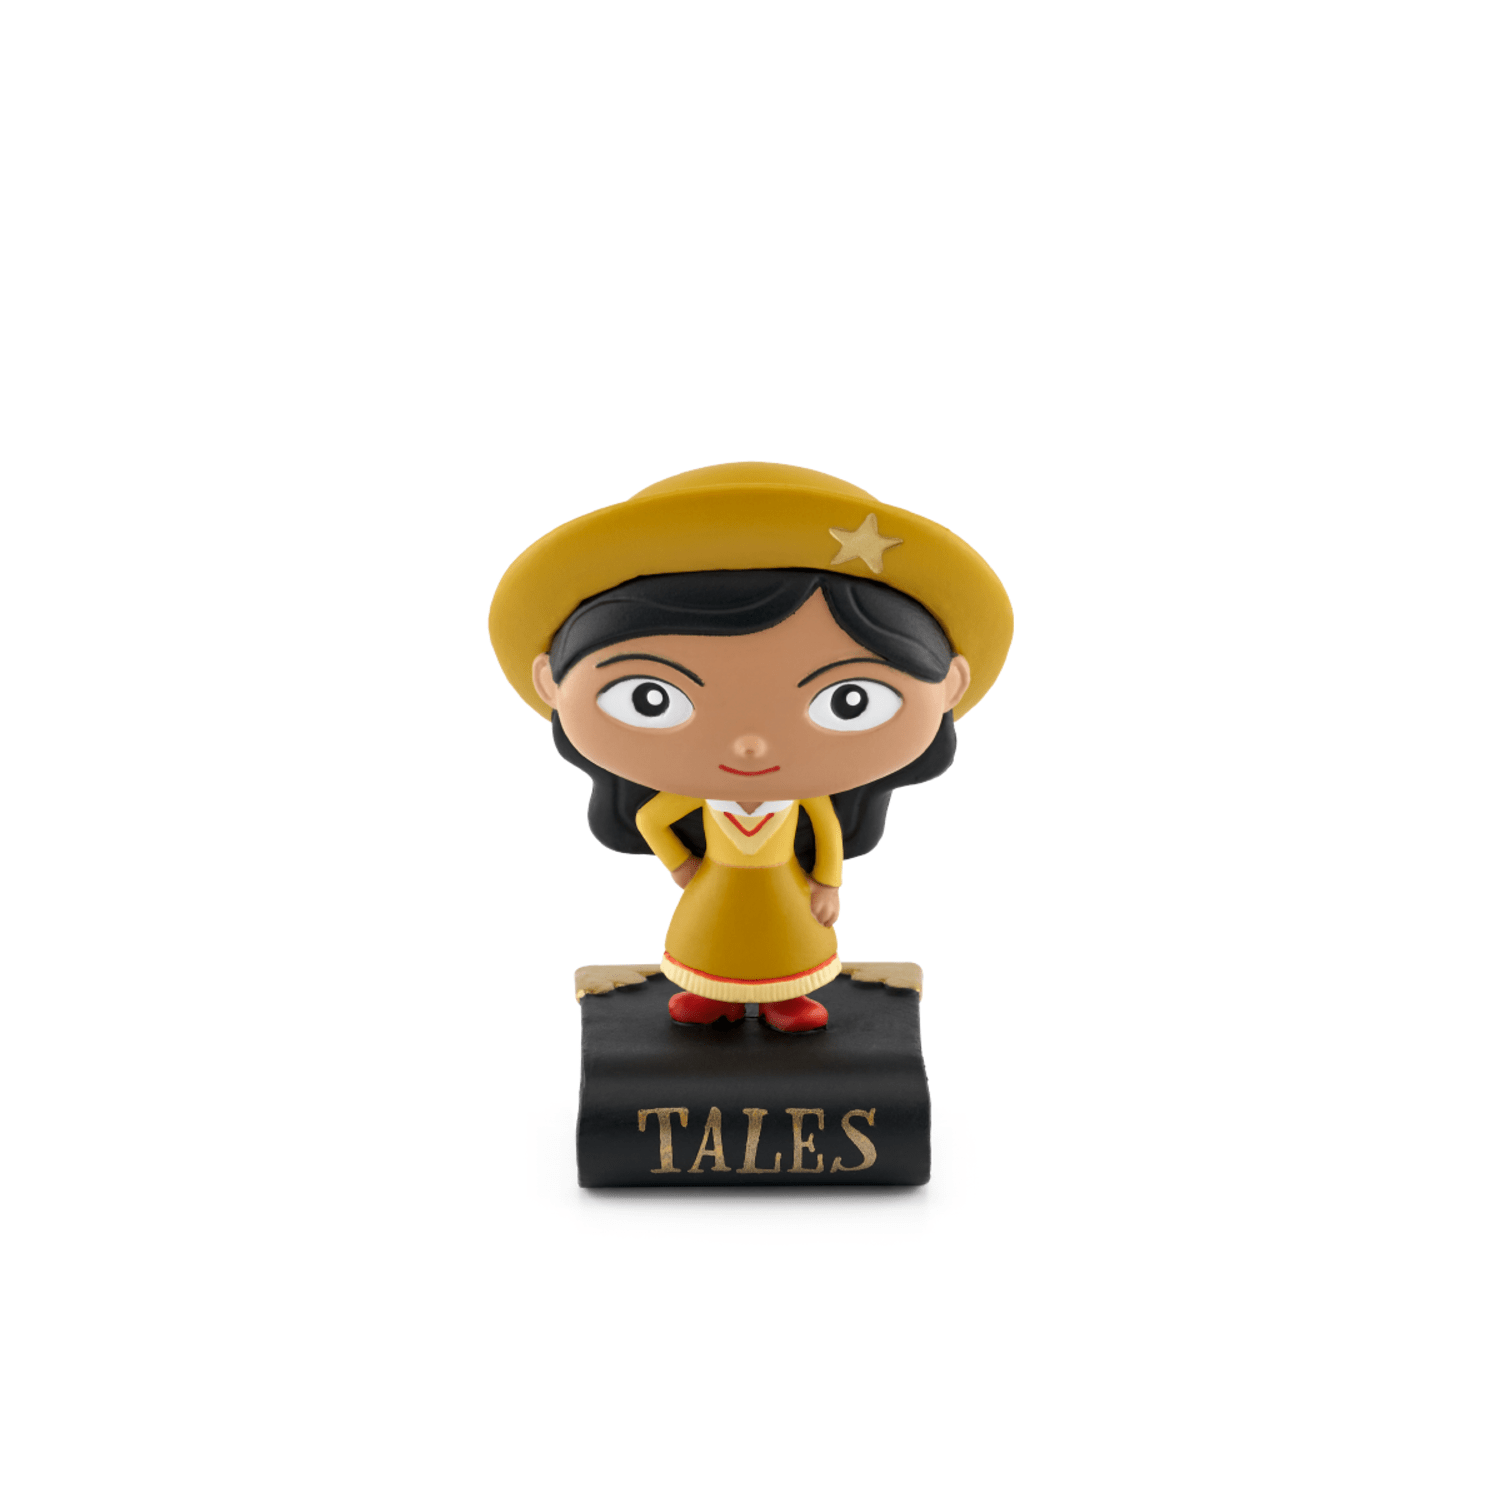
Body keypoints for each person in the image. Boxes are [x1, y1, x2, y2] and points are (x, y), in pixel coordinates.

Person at [489, 461, 1012, 1032]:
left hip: (786, 892)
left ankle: (788, 998)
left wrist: (828, 884)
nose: (749, 745)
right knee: (707, 944)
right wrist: (682, 865)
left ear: (950, 685)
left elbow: (828, 833)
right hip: (712, 888)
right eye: (651, 698)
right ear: (550, 682)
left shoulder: (802, 801)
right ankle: (710, 994)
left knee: (791, 945)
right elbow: (651, 818)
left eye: (849, 700)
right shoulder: (706, 801)